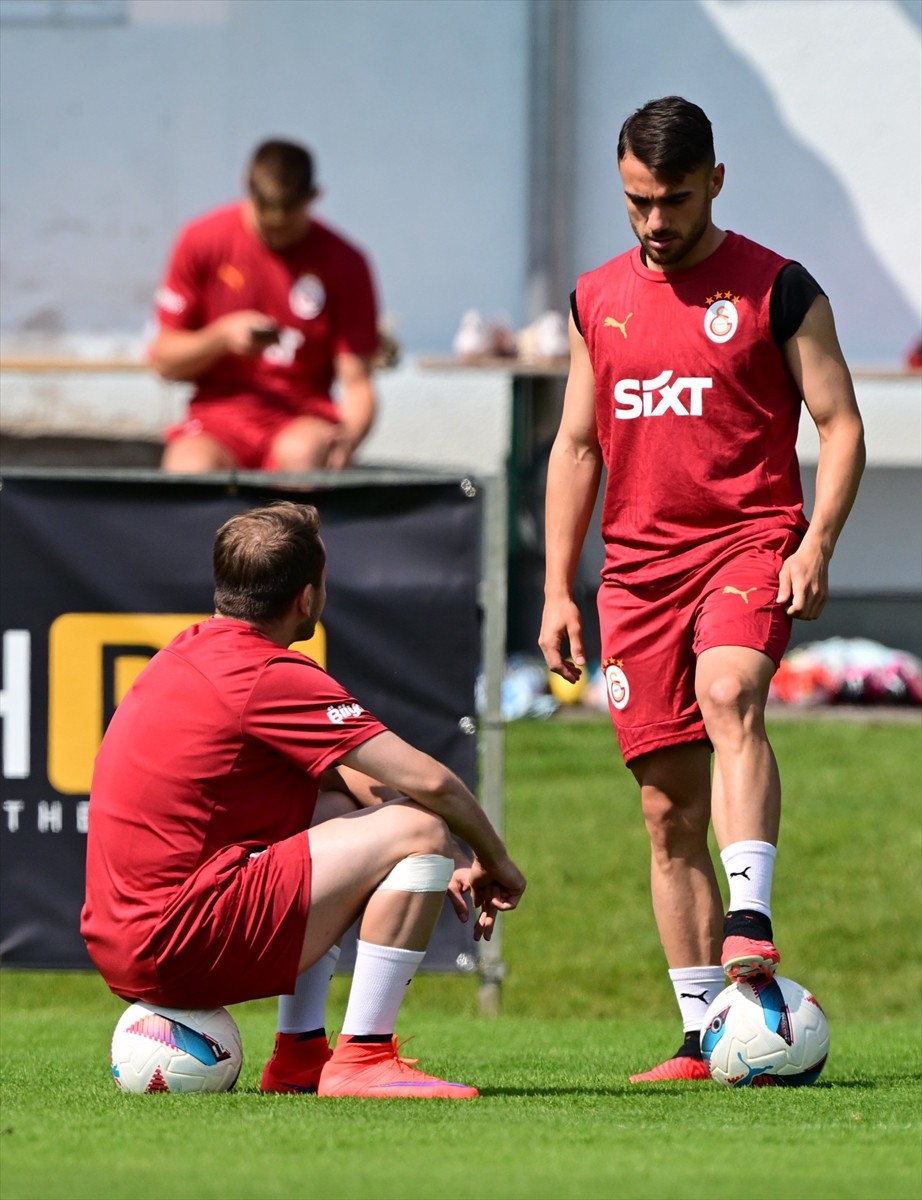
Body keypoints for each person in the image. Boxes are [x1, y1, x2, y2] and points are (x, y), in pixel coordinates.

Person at [539, 96, 866, 1083]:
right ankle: (696, 1038)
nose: (653, 221)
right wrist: (557, 587)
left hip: (746, 541)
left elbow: (840, 424)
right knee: (663, 812)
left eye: (673, 199)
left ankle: (750, 920)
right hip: (635, 573)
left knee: (731, 693)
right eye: (636, 200)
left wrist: (813, 542)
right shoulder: (596, 297)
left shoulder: (778, 288)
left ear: (715, 182)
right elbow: (577, 442)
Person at [81, 501, 526, 1098]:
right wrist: (492, 861)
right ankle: (364, 1058)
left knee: (346, 807)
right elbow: (435, 784)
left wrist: (401, 856)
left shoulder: (187, 653)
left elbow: (354, 779)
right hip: (177, 942)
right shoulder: (268, 674)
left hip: (129, 943)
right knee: (421, 828)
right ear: (307, 597)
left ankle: (299, 1055)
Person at [149, 139, 380, 473]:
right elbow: (164, 361)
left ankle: (303, 524)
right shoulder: (200, 240)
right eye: (266, 222)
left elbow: (358, 383)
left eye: (287, 225)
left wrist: (349, 439)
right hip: (217, 419)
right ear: (246, 186)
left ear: (313, 197)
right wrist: (222, 337)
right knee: (189, 468)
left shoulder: (346, 263)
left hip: (301, 417)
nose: (276, 237)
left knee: (302, 454)